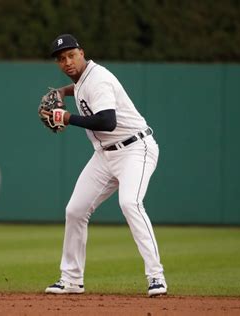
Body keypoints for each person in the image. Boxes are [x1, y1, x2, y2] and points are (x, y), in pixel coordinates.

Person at [40, 34, 167, 297]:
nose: (67, 62)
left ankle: (156, 277)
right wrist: (62, 91)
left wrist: (67, 117)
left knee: (130, 203)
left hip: (135, 149)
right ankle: (72, 280)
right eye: (61, 59)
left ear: (82, 53)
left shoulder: (99, 80)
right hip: (105, 155)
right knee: (75, 210)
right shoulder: (84, 79)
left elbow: (107, 121)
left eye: (72, 55)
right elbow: (79, 88)